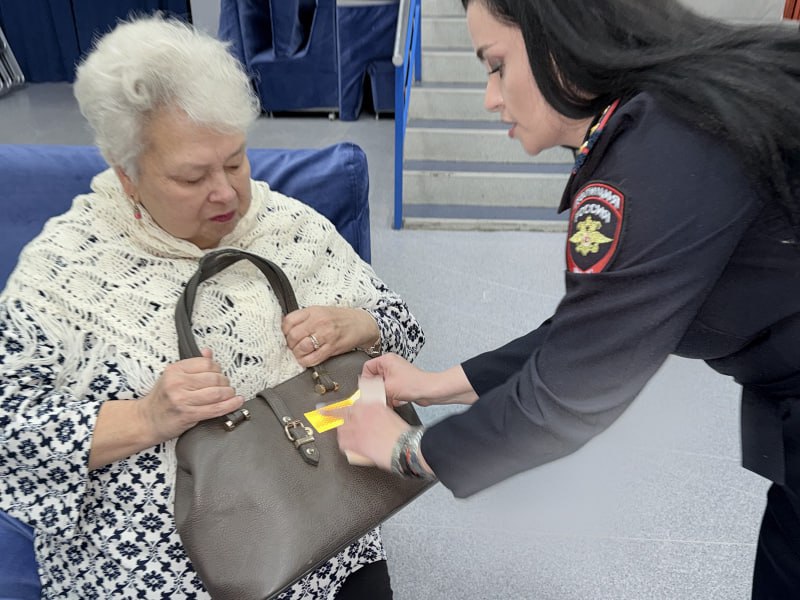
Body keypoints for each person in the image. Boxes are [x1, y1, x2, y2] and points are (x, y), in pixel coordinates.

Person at [334, 1, 800, 598]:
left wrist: (405, 449)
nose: (490, 97)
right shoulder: (674, 112)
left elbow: (567, 398)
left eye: (496, 65)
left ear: (559, 40)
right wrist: (433, 384)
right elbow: (592, 326)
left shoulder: (660, 154)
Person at [0, 15, 424, 599]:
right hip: (160, 572)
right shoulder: (65, 268)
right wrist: (145, 418)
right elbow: (10, 430)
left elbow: (401, 327)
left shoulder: (286, 225)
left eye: (234, 162)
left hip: (327, 531)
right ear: (127, 176)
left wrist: (360, 324)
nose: (225, 193)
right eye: (192, 176)